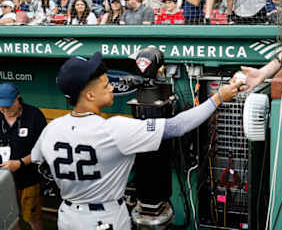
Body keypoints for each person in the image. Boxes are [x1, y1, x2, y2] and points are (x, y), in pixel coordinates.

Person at [30, 52, 243, 230]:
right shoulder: (113, 130)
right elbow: (178, 126)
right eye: (105, 86)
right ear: (89, 96)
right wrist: (219, 97)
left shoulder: (52, 129)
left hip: (67, 216)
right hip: (104, 218)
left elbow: (39, 163)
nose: (112, 88)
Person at [0, 83, 47, 230]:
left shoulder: (34, 115)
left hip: (29, 179)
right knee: (10, 218)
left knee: (33, 219)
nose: (4, 109)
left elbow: (44, 149)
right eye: (1, 106)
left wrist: (20, 162)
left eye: (8, 105)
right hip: (3, 180)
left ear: (18, 99)